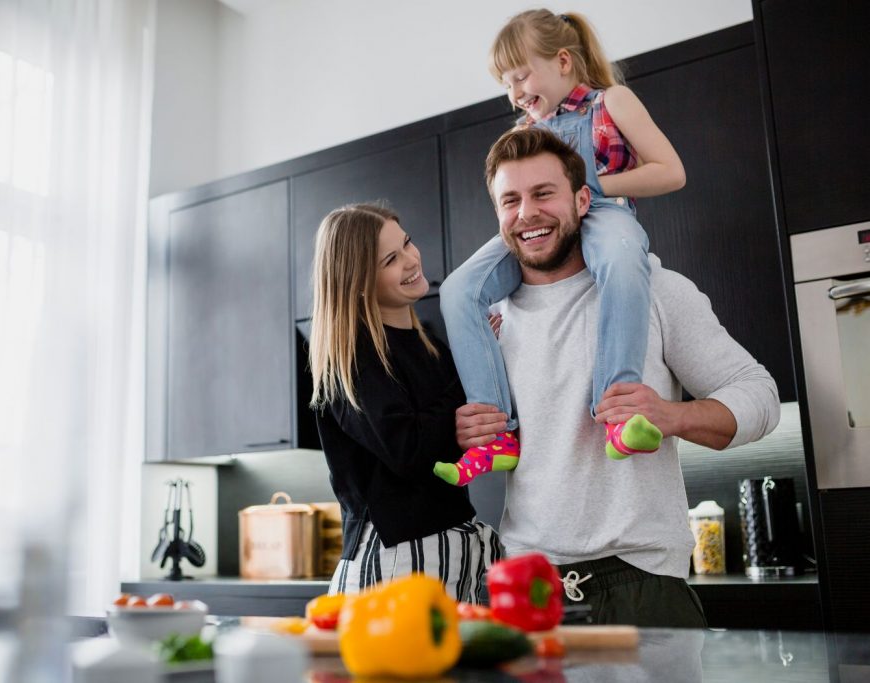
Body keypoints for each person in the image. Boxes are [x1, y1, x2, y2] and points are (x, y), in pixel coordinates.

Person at [456, 125, 780, 627]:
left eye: (544, 193)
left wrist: (670, 415)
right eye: (510, 200)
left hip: (642, 583)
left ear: (583, 199)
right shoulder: (490, 320)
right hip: (524, 585)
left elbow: (760, 396)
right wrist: (469, 431)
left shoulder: (657, 290)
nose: (527, 214)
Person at [435, 9, 686, 486]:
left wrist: (587, 187)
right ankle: (499, 436)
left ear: (564, 61)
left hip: (606, 212)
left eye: (521, 76)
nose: (514, 93)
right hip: (540, 228)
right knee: (458, 289)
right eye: (506, 84)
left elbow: (671, 171)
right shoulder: (520, 135)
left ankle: (617, 413)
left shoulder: (612, 101)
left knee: (619, 259)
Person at [308, 202, 503, 601]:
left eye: (407, 243)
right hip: (396, 564)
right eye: (391, 259)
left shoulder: (430, 344)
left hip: (447, 553)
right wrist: (470, 374)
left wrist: (481, 353)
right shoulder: (349, 358)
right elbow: (408, 451)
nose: (412, 259)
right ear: (359, 281)